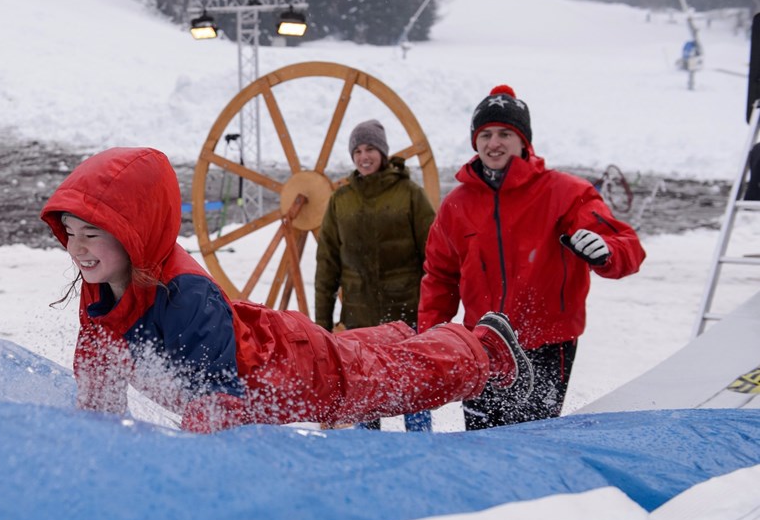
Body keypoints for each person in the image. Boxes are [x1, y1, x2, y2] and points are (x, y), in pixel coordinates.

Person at [40, 146, 534, 434]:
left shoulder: (184, 296)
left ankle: (483, 350)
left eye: (93, 234)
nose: (77, 249)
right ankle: (401, 335)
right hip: (275, 348)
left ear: (134, 233)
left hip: (295, 375)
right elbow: (99, 373)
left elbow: (218, 402)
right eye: (71, 233)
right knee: (360, 356)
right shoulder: (104, 286)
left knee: (388, 383)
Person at [418, 85, 646, 431]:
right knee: (482, 440)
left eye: (505, 133)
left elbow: (626, 244)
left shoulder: (565, 193)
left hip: (546, 344)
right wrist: (433, 336)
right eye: (486, 134)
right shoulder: (457, 205)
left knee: (532, 439)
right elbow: (439, 277)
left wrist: (607, 252)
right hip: (482, 345)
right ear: (475, 142)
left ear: (524, 141)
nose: (494, 143)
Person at [314, 119, 436, 431]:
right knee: (366, 399)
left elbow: (435, 257)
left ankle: (422, 452)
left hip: (406, 317)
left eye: (370, 149)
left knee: (415, 392)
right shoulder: (341, 201)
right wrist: (323, 326)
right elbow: (327, 266)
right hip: (360, 319)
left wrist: (432, 315)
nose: (363, 156)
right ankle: (368, 456)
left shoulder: (410, 195)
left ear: (382, 152)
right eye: (357, 150)